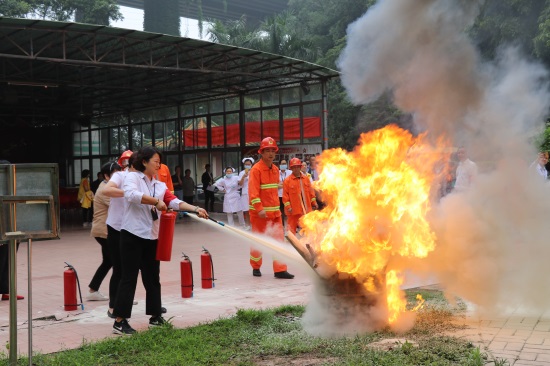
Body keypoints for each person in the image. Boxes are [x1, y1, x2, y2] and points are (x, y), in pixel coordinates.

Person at [111, 146, 207, 335]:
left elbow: (173, 201)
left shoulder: (159, 185)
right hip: (132, 235)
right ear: (144, 162)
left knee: (153, 278)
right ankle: (120, 321)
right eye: (156, 161)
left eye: (160, 162)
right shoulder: (132, 177)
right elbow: (131, 196)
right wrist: (155, 202)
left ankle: (155, 316)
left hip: (151, 236)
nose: (159, 165)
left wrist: (195, 208)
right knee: (129, 278)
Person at [249, 137, 294, 279]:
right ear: (261, 153)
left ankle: (280, 270)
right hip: (260, 215)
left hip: (275, 213)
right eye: (267, 151)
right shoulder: (256, 170)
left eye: (272, 151)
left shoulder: (275, 170)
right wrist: (260, 209)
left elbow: (275, 191)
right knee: (259, 241)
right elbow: (253, 193)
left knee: (279, 241)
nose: (270, 154)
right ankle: (256, 266)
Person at [87, 161, 122, 302]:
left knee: (108, 261)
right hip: (104, 231)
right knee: (119, 264)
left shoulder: (107, 186)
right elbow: (122, 204)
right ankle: (120, 297)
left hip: (102, 230)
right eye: (115, 173)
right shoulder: (105, 190)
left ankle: (93, 289)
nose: (119, 176)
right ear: (106, 176)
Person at [283, 158, 318, 235]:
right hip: (293, 211)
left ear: (300, 167)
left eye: (297, 167)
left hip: (306, 210)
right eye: (294, 167)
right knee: (291, 231)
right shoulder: (287, 181)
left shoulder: (306, 179)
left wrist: (314, 202)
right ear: (291, 168)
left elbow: (311, 193)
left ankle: (307, 244)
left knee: (308, 230)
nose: (296, 169)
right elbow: (285, 196)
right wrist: (288, 207)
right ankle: (290, 245)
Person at [238, 157, 254, 226]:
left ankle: (254, 225)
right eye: (246, 164)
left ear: (251, 165)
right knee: (247, 210)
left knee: (253, 210)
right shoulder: (242, 173)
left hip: (253, 193)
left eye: (249, 164)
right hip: (245, 193)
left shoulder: (254, 171)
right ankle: (248, 225)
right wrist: (243, 177)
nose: (247, 165)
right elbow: (240, 184)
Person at [277, 159, 291, 226]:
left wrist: (282, 184)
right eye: (282, 164)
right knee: (281, 212)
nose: (283, 165)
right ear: (279, 165)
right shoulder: (276, 173)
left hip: (288, 195)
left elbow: (291, 184)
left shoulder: (290, 172)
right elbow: (275, 184)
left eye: (285, 163)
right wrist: (279, 185)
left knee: (289, 211)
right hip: (279, 195)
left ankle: (290, 227)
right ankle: (282, 226)